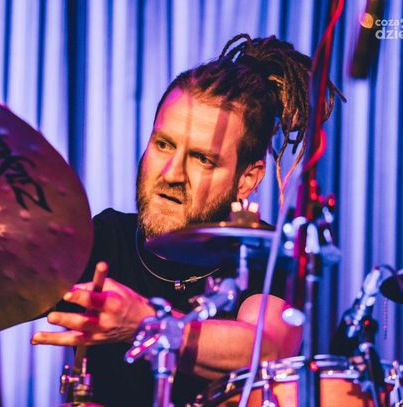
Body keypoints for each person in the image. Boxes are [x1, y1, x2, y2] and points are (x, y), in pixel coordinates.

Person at [31, 34, 339, 406]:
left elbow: (267, 348)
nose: (171, 173)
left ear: (247, 178)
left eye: (202, 159)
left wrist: (144, 323)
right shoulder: (107, 238)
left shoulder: (266, 253)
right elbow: (1, 287)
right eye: (163, 145)